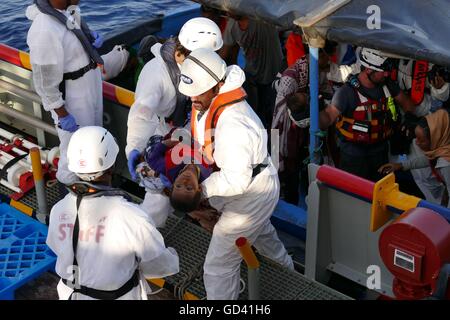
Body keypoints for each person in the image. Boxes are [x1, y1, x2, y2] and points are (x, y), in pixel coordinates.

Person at [179, 48, 294, 300]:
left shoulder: (233, 125)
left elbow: (236, 180)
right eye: (189, 94)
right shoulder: (211, 100)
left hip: (249, 195)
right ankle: (290, 275)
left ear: (217, 86)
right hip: (256, 184)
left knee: (219, 266)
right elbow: (202, 133)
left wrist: (200, 191)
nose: (192, 99)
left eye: (197, 93)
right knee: (263, 235)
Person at [46, 126, 179, 300]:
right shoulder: (131, 216)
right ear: (112, 166)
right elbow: (160, 264)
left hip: (69, 294)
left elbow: (57, 246)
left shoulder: (60, 209)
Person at [26, 0, 127, 186]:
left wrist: (89, 37)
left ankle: (95, 187)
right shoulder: (44, 29)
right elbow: (44, 81)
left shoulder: (70, 12)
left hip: (89, 84)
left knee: (94, 141)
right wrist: (62, 113)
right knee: (75, 149)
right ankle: (70, 193)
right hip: (73, 97)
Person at [313, 48, 416, 181]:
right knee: (355, 195)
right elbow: (328, 118)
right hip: (353, 157)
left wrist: (408, 118)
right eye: (382, 71)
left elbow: (408, 104)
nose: (386, 74)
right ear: (368, 70)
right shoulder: (346, 93)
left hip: (381, 153)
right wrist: (317, 110)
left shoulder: (387, 85)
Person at [220, 14, 283, 128]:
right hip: (252, 73)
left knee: (273, 115)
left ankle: (273, 140)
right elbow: (225, 52)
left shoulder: (262, 18)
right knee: (254, 112)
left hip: (273, 72)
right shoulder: (232, 25)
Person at [379, 109, 450, 207]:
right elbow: (429, 159)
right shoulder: (443, 148)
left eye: (421, 140)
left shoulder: (446, 163)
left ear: (435, 137)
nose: (417, 142)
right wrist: (400, 165)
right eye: (416, 138)